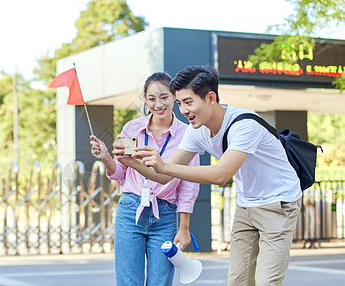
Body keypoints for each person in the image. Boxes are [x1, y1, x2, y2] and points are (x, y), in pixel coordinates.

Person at [134, 66, 302, 286]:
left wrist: (164, 167)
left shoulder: (245, 124)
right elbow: (164, 174)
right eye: (180, 103)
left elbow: (220, 174)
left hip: (278, 203)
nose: (183, 110)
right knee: (238, 281)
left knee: (267, 282)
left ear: (210, 97)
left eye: (189, 102)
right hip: (246, 204)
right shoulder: (197, 130)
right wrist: (132, 163)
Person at [89, 72, 200, 286]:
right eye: (151, 98)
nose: (158, 104)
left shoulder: (187, 134)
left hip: (165, 216)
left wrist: (184, 227)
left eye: (164, 97)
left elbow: (188, 184)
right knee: (128, 282)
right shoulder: (133, 129)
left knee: (160, 282)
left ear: (174, 97)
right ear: (145, 99)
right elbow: (122, 171)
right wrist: (105, 157)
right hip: (130, 210)